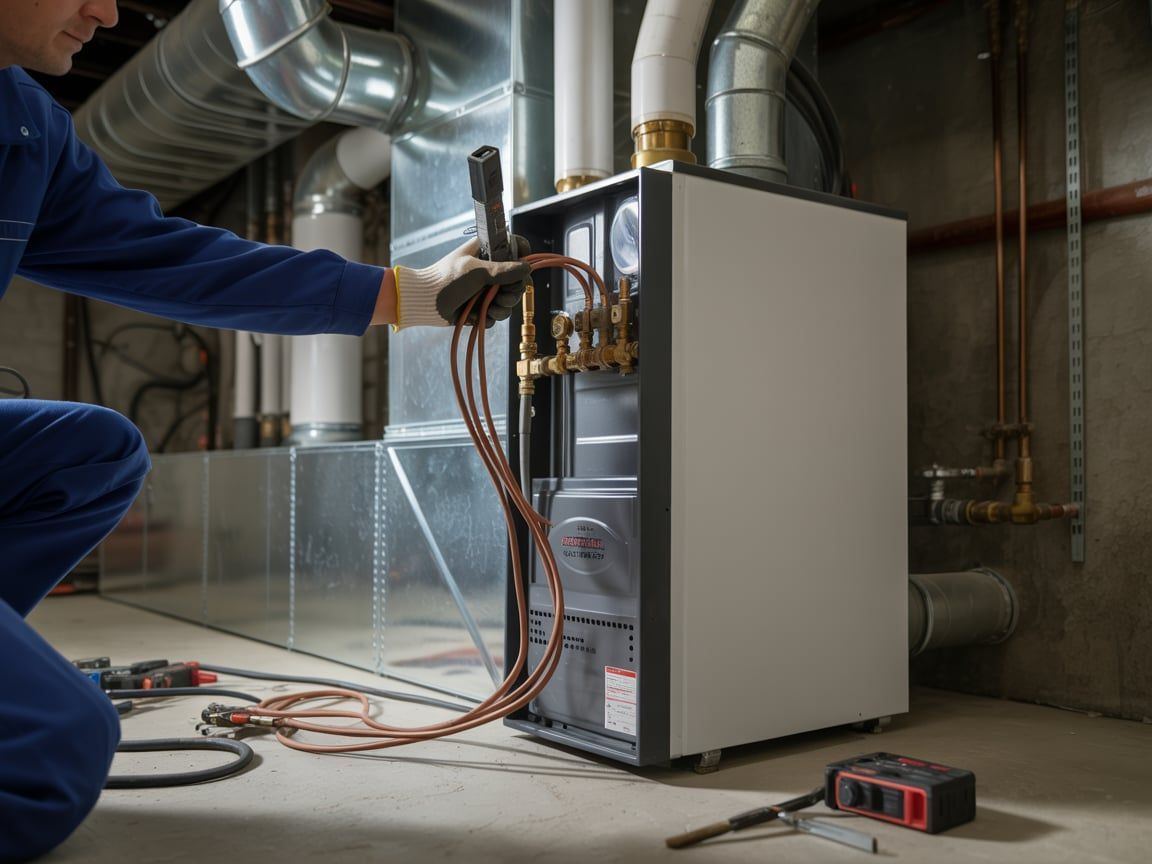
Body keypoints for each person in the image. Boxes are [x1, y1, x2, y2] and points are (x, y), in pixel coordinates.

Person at [0, 2, 529, 861]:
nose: (108, 10)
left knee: (91, 452)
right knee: (51, 752)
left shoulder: (24, 127)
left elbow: (172, 260)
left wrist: (418, 295)